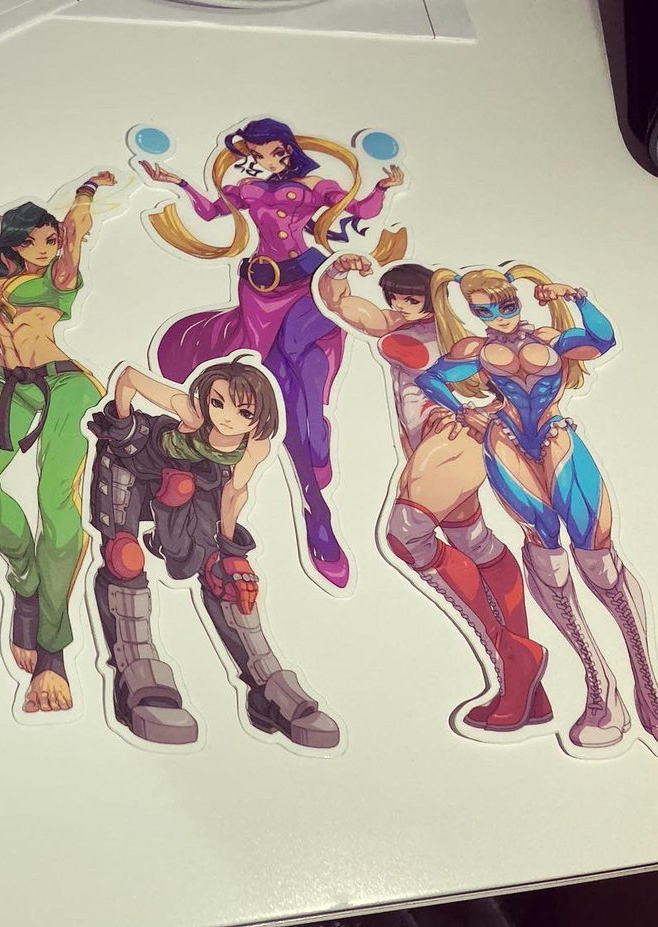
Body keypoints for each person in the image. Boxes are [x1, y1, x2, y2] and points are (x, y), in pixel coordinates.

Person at [142, 118, 406, 588]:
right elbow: (210, 213)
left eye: (272, 151)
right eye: (257, 153)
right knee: (282, 391)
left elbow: (358, 208)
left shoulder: (314, 186)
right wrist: (177, 182)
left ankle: (316, 434)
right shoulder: (246, 189)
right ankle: (317, 507)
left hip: (309, 279)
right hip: (260, 289)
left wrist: (384, 188)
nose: (266, 159)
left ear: (286, 147)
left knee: (300, 354)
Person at [417, 266, 658, 747]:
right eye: (485, 310)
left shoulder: (549, 339)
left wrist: (577, 296)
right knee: (546, 553)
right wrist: (465, 411)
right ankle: (599, 688)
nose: (499, 317)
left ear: (518, 300)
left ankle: (647, 686)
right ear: (473, 312)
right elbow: (432, 378)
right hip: (506, 440)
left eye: (506, 305)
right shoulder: (476, 351)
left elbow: (602, 340)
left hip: (554, 435)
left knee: (598, 555)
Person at [317, 254, 550, 732]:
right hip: (426, 439)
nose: (403, 306)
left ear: (434, 299)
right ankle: (527, 686)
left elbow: (501, 372)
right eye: (396, 299)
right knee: (473, 541)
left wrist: (486, 408)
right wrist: (339, 270)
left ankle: (512, 655)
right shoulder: (397, 325)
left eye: (413, 299)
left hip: (452, 434)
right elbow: (341, 305)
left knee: (407, 533)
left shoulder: (451, 334)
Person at [88, 359, 339, 748]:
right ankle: (135, 672)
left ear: (259, 417)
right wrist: (121, 422)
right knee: (125, 558)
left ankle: (266, 686)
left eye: (243, 412)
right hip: (136, 464)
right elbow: (130, 377)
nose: (226, 418)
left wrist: (228, 547)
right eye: (218, 403)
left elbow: (234, 493)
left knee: (229, 575)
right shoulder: (191, 413)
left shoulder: (253, 446)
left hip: (196, 480)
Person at [0, 174, 113, 715]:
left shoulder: (60, 275)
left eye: (49, 240)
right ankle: (26, 578)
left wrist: (82, 197)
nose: (44, 248)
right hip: (5, 384)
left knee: (56, 507)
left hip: (64, 385)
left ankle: (51, 653)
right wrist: (22, 222)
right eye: (33, 240)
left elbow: (76, 232)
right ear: (14, 244)